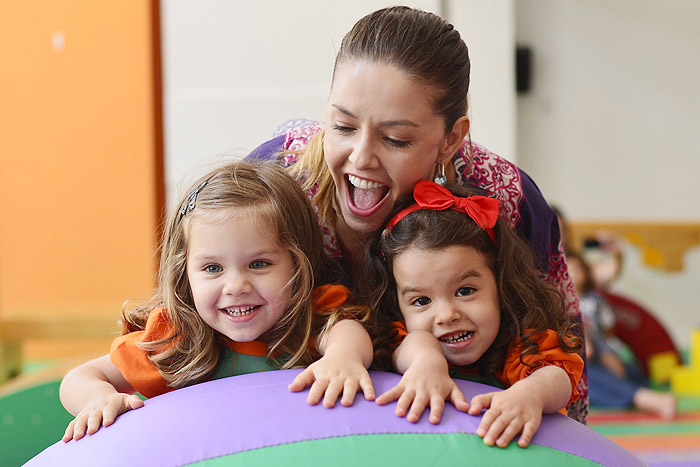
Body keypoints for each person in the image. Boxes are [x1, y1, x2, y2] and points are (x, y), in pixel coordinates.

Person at [246, 6, 587, 423]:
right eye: (343, 126)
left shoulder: (506, 199)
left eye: (396, 139)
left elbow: (561, 343)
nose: (361, 157)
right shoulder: (275, 183)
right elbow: (198, 296)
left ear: (451, 139)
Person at [59, 163, 375, 442]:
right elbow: (78, 378)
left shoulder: (308, 320)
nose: (236, 286)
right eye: (213, 269)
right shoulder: (176, 340)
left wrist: (343, 358)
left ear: (297, 263)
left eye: (259, 264)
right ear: (185, 274)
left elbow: (345, 332)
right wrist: (99, 396)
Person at [369, 180, 584, 448]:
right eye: (422, 300)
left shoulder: (519, 344)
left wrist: (531, 394)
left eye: (465, 291)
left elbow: (557, 376)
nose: (446, 315)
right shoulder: (403, 339)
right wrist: (426, 361)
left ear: (500, 284)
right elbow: (411, 348)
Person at [567, 252, 677, 419]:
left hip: (600, 352)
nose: (572, 275)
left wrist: (608, 351)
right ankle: (644, 398)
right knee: (592, 377)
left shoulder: (594, 300)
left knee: (622, 370)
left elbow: (606, 331)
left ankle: (642, 393)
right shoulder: (562, 304)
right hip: (582, 359)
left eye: (577, 269)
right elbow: (584, 349)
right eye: (568, 270)